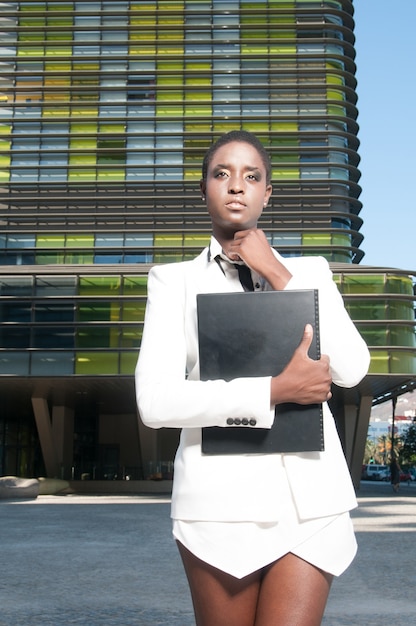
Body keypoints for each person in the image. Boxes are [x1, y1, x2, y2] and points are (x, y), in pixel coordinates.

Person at [135, 130, 370, 626]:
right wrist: (272, 391)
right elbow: (154, 402)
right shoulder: (172, 281)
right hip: (219, 504)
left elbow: (352, 369)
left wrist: (281, 275)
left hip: (310, 500)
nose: (236, 186)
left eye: (251, 176)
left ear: (268, 192)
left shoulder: (310, 271)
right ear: (204, 190)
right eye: (221, 174)